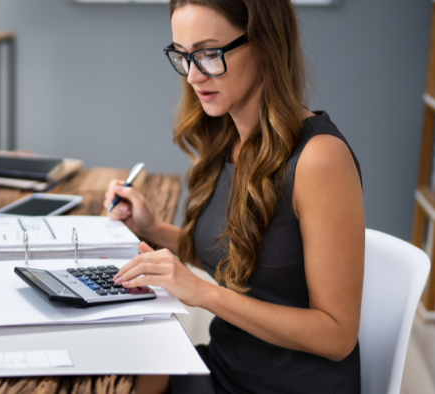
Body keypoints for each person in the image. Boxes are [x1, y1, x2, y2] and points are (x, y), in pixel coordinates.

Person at [104, 0, 365, 393]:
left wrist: (205, 295)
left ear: (264, 44)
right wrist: (153, 229)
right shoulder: (232, 139)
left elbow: (337, 335)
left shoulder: (319, 160)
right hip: (227, 366)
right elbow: (240, 260)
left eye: (208, 54)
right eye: (183, 55)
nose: (193, 76)